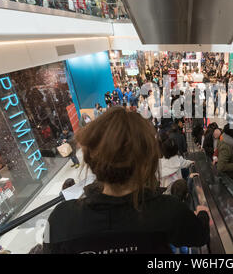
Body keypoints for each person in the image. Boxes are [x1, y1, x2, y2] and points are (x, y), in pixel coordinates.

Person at [43, 108, 209, 253]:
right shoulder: (169, 211)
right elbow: (200, 237)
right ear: (146, 162)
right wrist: (202, 214)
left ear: (91, 159)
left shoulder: (61, 218)